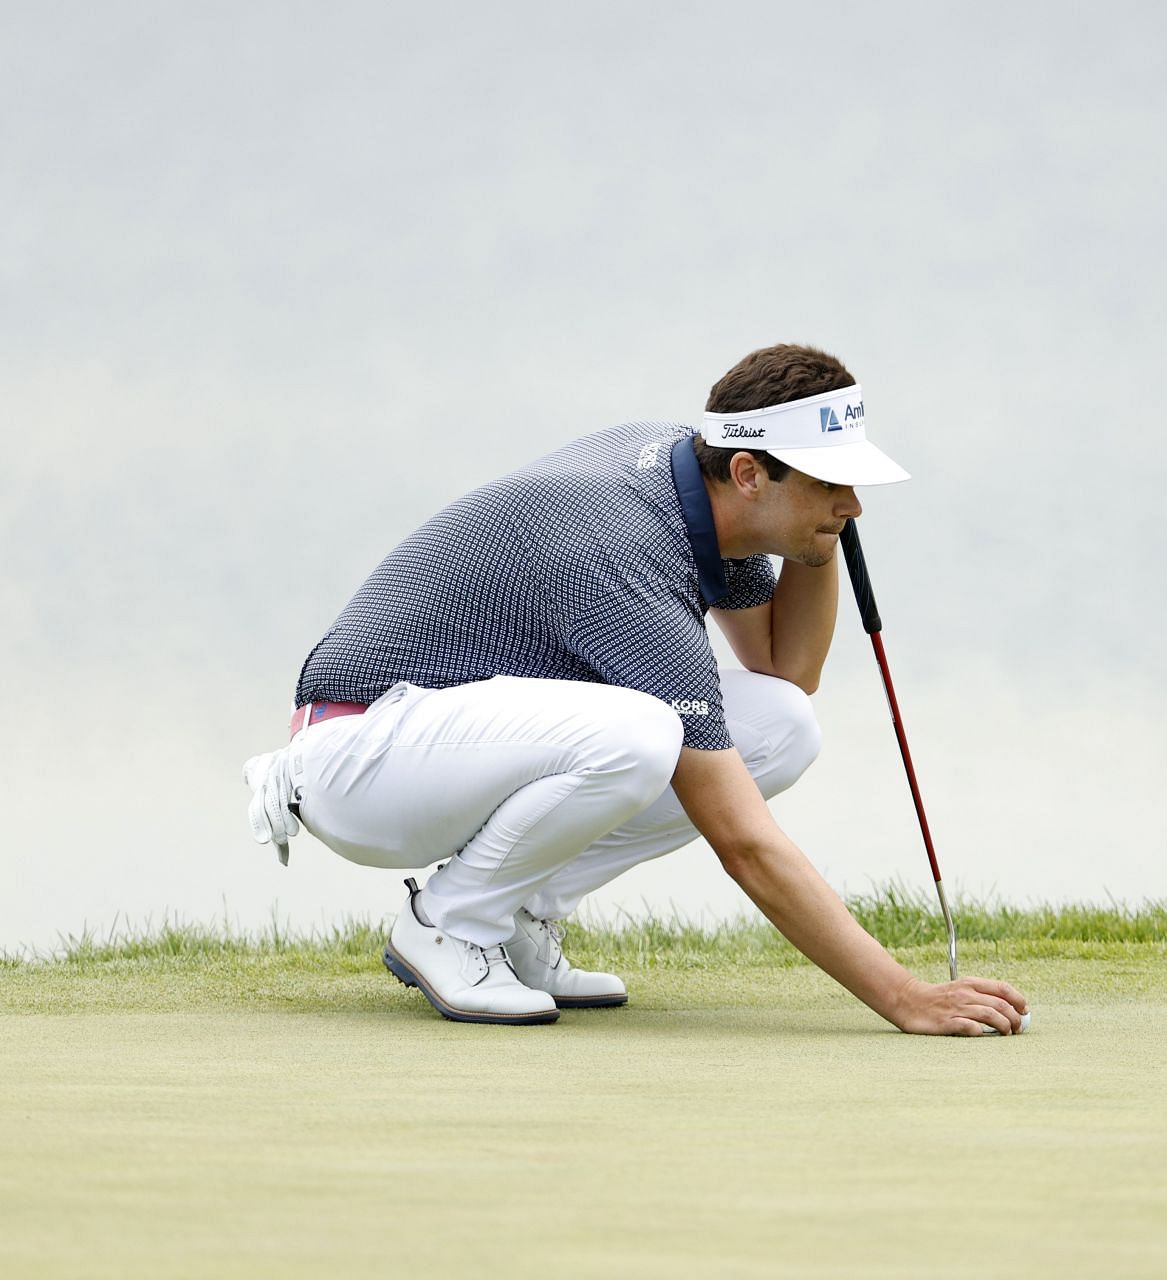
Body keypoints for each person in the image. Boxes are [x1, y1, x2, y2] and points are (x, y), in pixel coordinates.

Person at [241, 343, 1029, 1034]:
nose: (854, 507)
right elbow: (742, 841)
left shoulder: (695, 481)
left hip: (449, 744)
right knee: (647, 734)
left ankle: (515, 918)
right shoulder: (620, 549)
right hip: (363, 759)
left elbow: (787, 672)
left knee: (782, 725)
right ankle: (449, 923)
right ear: (750, 473)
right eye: (832, 484)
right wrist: (904, 996)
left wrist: (815, 538)